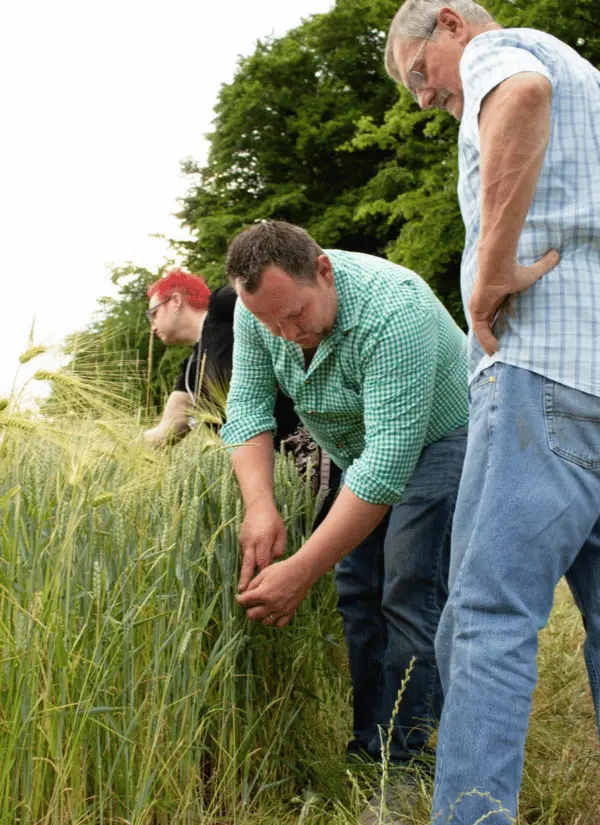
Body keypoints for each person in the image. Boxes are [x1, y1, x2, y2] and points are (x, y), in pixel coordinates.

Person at [385, 3, 600, 822]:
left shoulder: (503, 52)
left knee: (484, 620)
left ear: (448, 24)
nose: (428, 102)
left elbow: (520, 93)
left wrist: (492, 262)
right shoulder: (591, 79)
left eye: (421, 79)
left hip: (539, 376)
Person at [220, 220, 468, 823]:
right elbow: (249, 407)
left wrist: (300, 568)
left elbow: (388, 465)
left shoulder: (394, 308)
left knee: (409, 591)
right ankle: (370, 748)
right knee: (358, 592)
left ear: (323, 271)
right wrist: (260, 505)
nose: (287, 335)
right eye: (271, 324)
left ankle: (407, 766)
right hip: (360, 449)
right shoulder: (262, 312)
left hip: (443, 437)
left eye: (296, 316)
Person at [143, 268, 299, 448]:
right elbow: (164, 432)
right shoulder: (191, 373)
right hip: (287, 468)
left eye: (154, 314)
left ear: (176, 300)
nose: (152, 328)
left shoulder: (222, 307)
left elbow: (273, 287)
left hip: (320, 440)